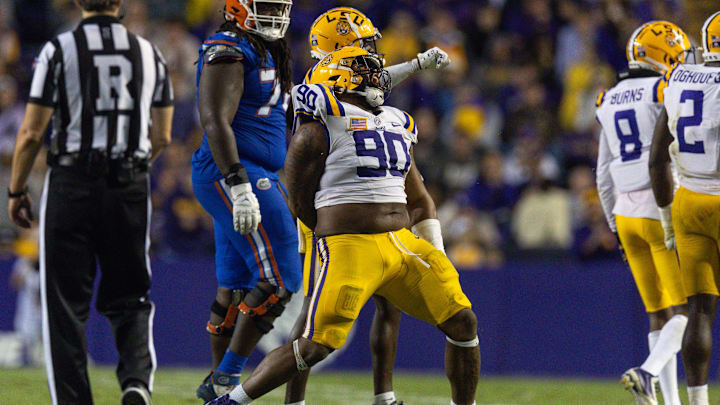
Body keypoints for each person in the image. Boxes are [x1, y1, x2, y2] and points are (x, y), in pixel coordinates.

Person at [206, 47, 480, 405]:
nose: (377, 76)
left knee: (463, 322)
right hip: (350, 245)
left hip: (403, 242)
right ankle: (231, 401)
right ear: (339, 79)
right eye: (365, 71)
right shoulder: (322, 123)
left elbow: (417, 196)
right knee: (313, 345)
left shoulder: (397, 120)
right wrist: (330, 232)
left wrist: (435, 248)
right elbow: (299, 200)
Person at [6, 0, 174, 403]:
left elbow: (30, 132)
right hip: (129, 184)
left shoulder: (58, 49)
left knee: (65, 307)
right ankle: (135, 381)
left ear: (78, 2)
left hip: (72, 182)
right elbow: (163, 136)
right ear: (121, 3)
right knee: (132, 295)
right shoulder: (149, 52)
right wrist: (131, 170)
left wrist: (16, 190)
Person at [287, 7, 451, 405]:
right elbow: (346, 90)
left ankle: (384, 395)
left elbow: (373, 80)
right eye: (362, 44)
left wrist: (414, 64)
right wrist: (413, 65)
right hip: (329, 202)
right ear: (338, 48)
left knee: (390, 304)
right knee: (314, 313)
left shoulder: (346, 81)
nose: (372, 54)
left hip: (362, 190)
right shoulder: (316, 85)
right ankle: (295, 399)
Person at [190, 0, 300, 402]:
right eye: (265, 6)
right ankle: (228, 377)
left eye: (278, 6)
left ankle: (218, 385)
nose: (274, 14)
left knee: (235, 286)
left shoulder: (264, 46)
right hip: (236, 170)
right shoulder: (228, 47)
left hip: (255, 171)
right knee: (282, 278)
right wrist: (238, 185)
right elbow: (215, 119)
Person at [595, 21, 691, 405]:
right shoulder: (663, 88)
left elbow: (602, 173)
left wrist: (614, 226)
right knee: (686, 309)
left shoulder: (607, 97)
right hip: (660, 207)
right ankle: (647, 372)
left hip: (626, 213)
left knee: (658, 312)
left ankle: (667, 401)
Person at [649, 12, 720, 405]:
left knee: (700, 310)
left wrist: (666, 221)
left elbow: (658, 158)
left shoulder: (678, 78)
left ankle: (697, 401)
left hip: (688, 201)